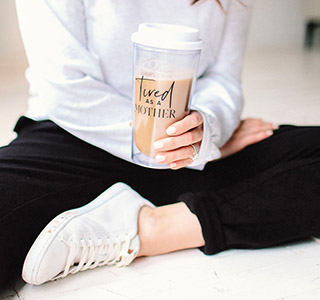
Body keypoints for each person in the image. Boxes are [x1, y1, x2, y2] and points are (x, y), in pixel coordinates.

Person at [0, 0, 319, 287]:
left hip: (186, 146)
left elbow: (223, 79)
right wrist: (161, 140)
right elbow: (64, 85)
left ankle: (153, 228)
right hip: (73, 138)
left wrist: (206, 130)